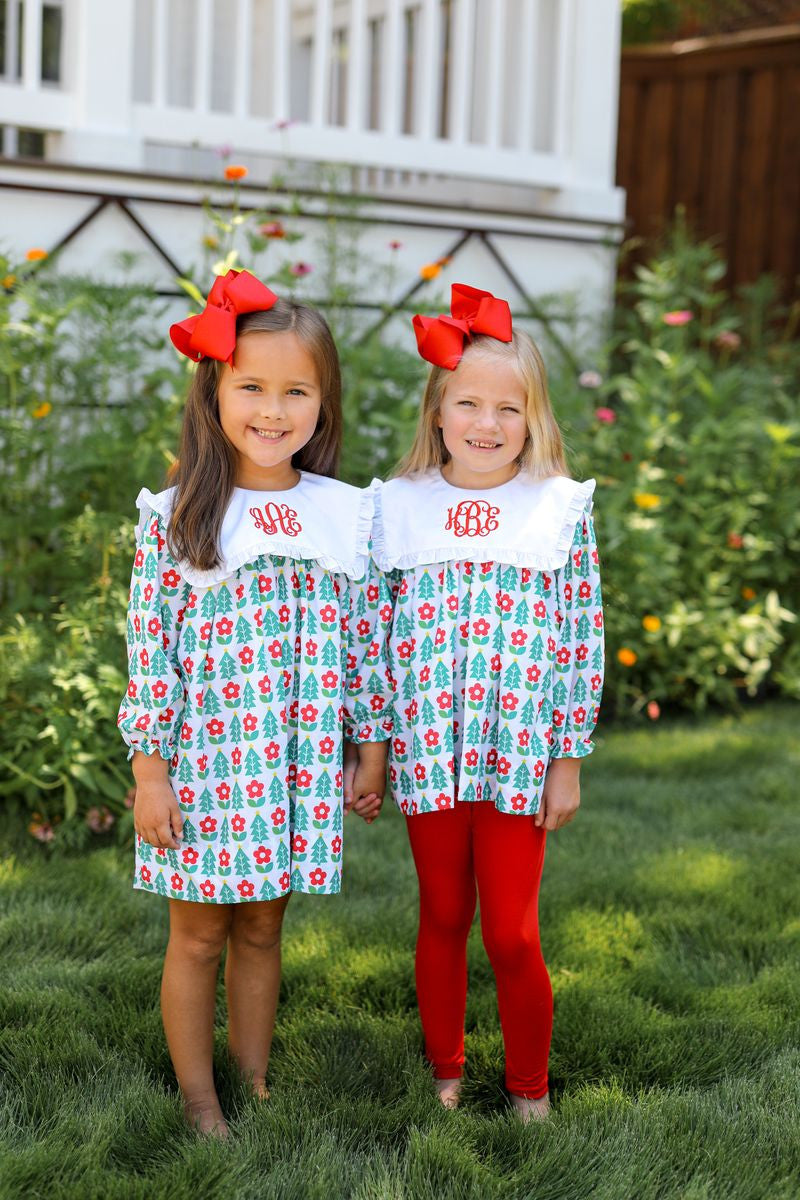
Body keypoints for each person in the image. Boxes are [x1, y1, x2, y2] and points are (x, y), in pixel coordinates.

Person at [117, 269, 392, 1137]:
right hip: (204, 765)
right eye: (252, 388)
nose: (273, 411)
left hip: (293, 763)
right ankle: (201, 1101)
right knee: (199, 934)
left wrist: (369, 748)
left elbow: (363, 643)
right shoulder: (182, 516)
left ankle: (254, 1081)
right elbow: (150, 654)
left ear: (323, 403)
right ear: (215, 393)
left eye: (295, 391)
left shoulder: (343, 518)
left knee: (264, 929)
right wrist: (150, 771)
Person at [373, 284, 604, 1121]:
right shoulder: (396, 508)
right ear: (438, 413)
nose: (486, 422)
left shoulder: (556, 509)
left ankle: (529, 1089)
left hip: (517, 754)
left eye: (509, 407)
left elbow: (580, 637)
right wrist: (373, 749)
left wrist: (566, 758)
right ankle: (446, 1070)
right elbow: (375, 635)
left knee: (510, 931)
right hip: (429, 748)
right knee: (441, 912)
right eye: (467, 402)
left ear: (534, 417)